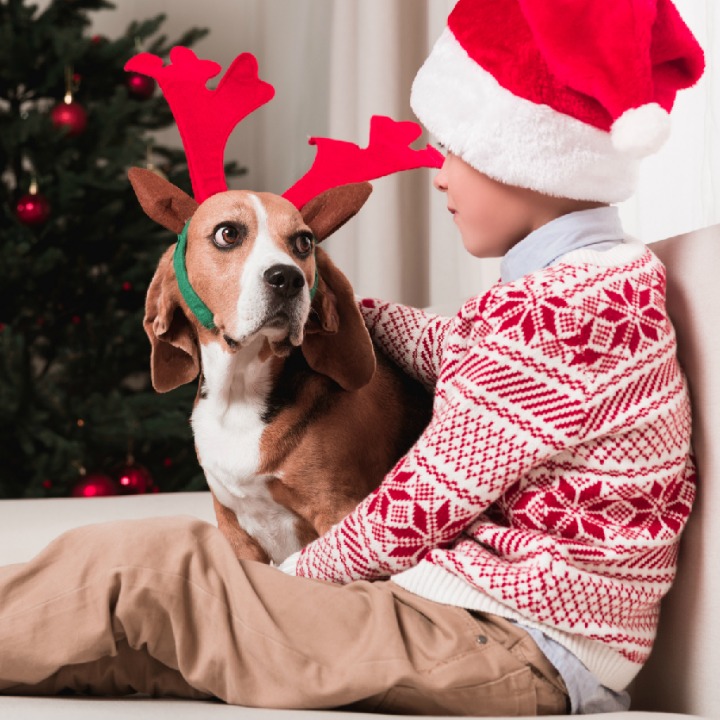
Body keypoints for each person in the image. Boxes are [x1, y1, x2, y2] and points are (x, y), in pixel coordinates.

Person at [0, 0, 705, 715]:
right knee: (138, 607)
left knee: (166, 569)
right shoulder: (588, 289)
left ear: (525, 159)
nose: (439, 177)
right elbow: (455, 348)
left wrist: (282, 587)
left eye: (453, 152)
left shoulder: (567, 313)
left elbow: (418, 505)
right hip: (493, 627)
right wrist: (323, 309)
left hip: (514, 645)